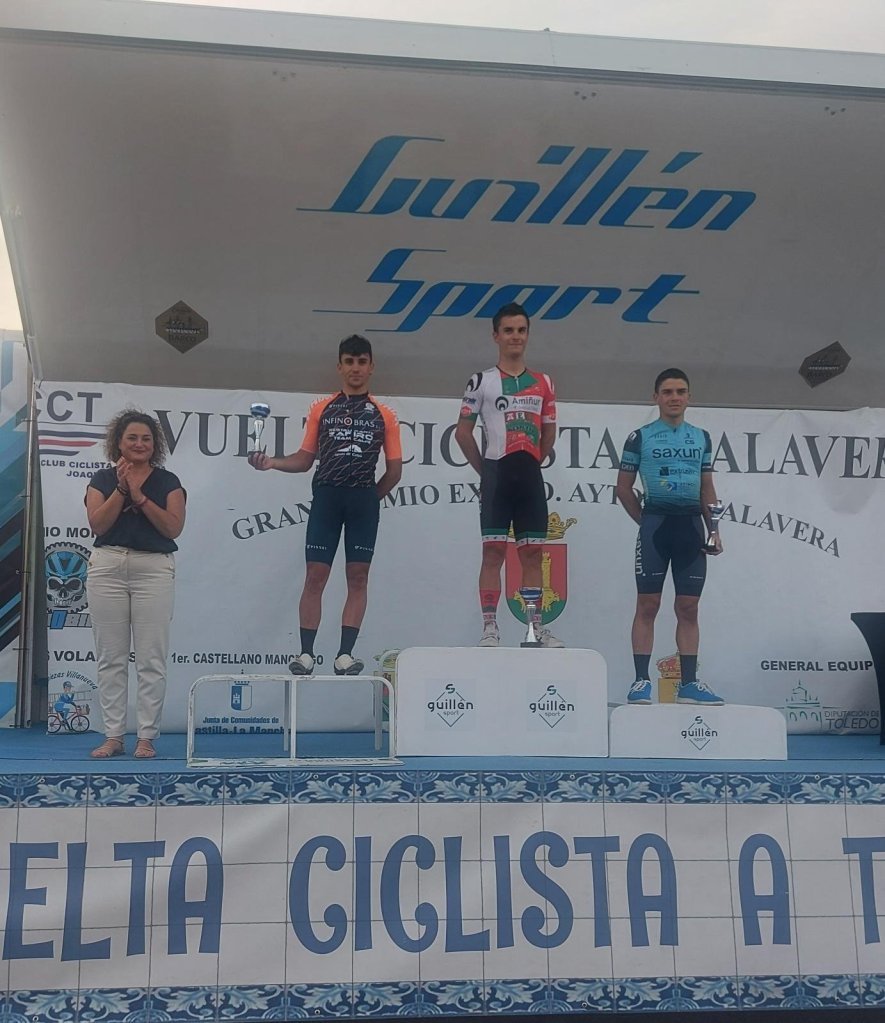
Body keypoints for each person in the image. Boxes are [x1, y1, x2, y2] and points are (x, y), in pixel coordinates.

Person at [248, 335, 402, 676]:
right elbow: (305, 459)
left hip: (363, 500)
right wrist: (272, 462)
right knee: (315, 575)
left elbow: (394, 471)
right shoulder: (322, 408)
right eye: (349, 362)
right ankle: (306, 654)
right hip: (327, 498)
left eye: (362, 362)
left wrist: (368, 499)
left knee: (358, 577)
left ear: (371, 367)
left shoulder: (385, 415)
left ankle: (345, 655)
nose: (355, 368)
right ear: (339, 366)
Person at [454, 302, 561, 648]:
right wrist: (486, 471)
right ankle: (490, 627)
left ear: (528, 335)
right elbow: (462, 433)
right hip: (497, 476)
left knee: (532, 556)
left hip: (529, 477)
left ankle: (534, 629)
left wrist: (533, 462)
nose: (516, 336)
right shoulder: (481, 381)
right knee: (493, 553)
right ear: (496, 336)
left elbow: (549, 431)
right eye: (509, 330)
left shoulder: (544, 382)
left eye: (521, 330)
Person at [615, 368, 723, 706]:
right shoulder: (640, 437)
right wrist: (645, 521)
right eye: (667, 392)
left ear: (689, 397)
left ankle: (689, 683)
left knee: (688, 607)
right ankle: (640, 681)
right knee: (648, 604)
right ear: (656, 398)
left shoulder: (702, 437)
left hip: (691, 527)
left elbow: (707, 487)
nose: (674, 397)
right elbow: (623, 488)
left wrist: (714, 530)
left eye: (680, 392)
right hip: (656, 527)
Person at [85, 410, 186, 758]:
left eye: (146, 438)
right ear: (119, 442)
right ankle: (113, 736)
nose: (140, 444)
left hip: (153, 568)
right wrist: (121, 488)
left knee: (150, 659)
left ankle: (146, 737)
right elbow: (98, 525)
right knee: (110, 658)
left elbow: (173, 528)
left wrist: (140, 495)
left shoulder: (168, 481)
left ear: (155, 445)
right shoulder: (101, 479)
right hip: (107, 567)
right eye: (132, 438)